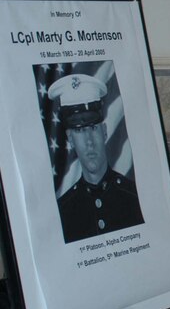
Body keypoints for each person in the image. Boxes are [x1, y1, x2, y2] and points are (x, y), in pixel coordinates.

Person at [47, 73, 144, 243]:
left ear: (104, 131)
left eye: (92, 128)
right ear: (70, 138)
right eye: (79, 131)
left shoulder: (136, 197)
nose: (89, 142)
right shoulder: (62, 211)